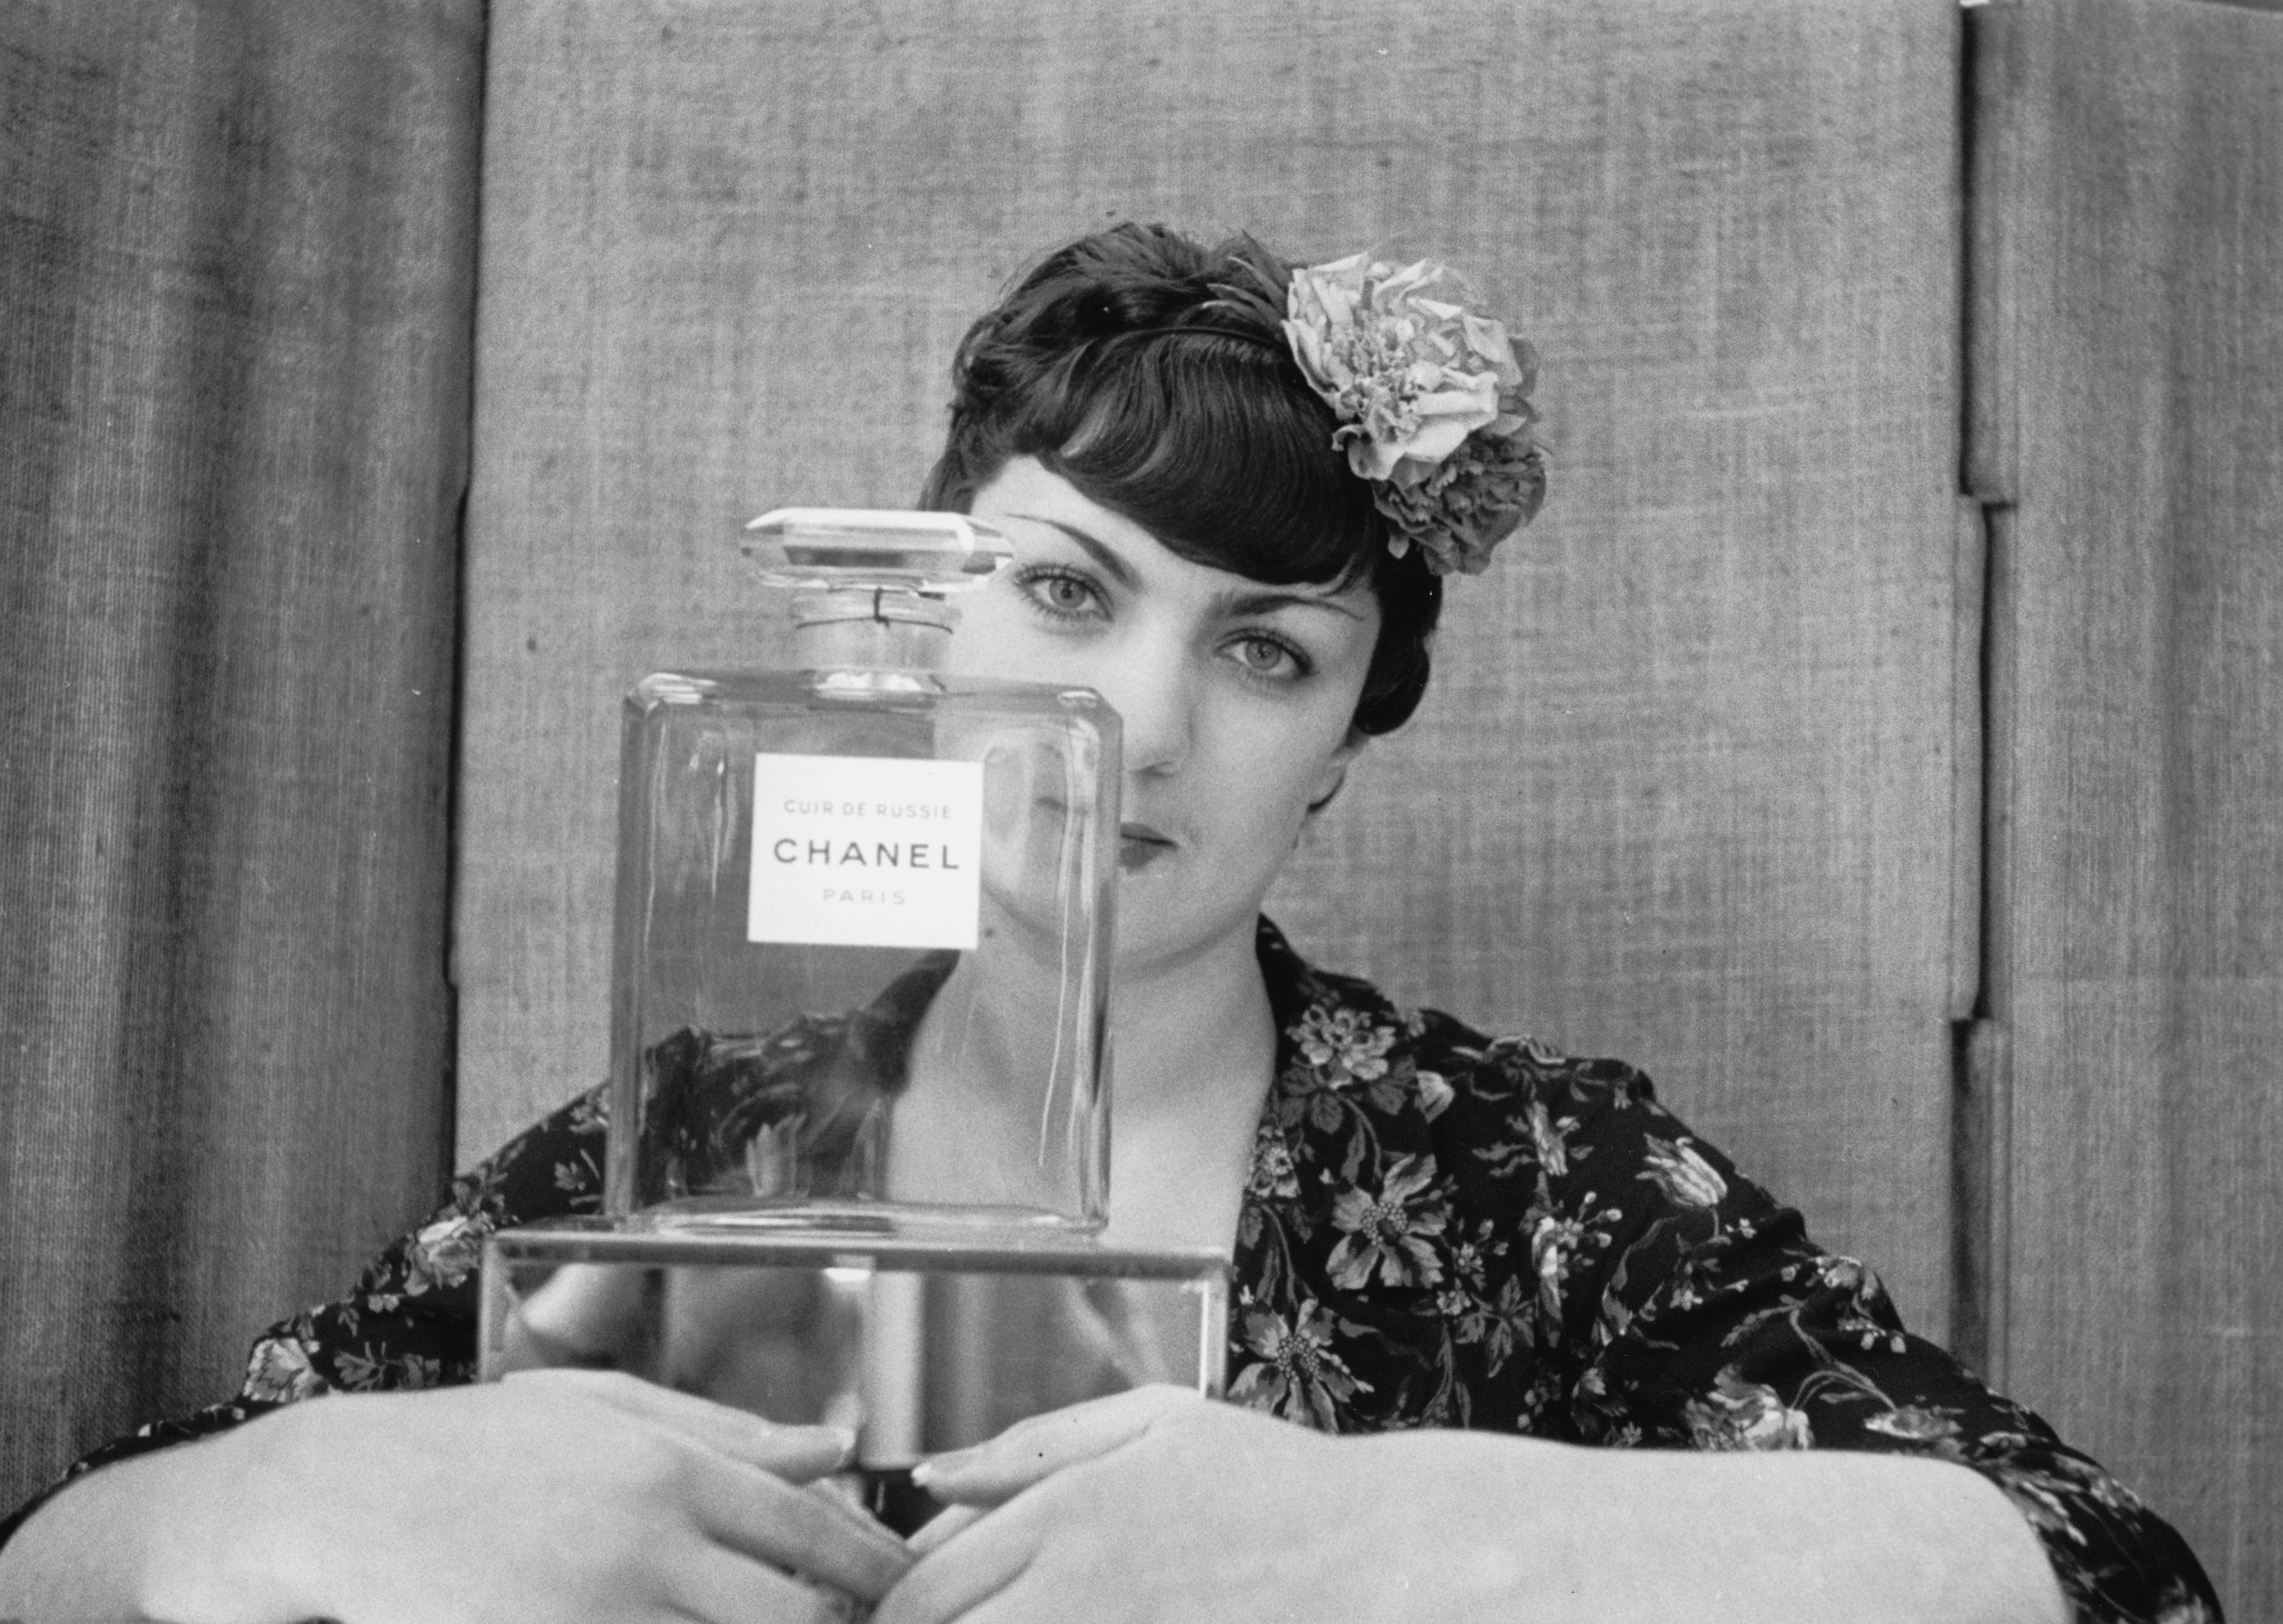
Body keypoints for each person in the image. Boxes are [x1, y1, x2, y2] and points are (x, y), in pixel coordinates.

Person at [0, 223, 2221, 1624]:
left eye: (1265, 650)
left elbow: (2107, 1566)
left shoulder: (1524, 1182)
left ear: (1337, 746)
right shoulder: (687, 1150)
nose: (1138, 728)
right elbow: (69, 1555)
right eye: (1066, 591)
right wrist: (301, 1498)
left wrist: (1418, 1540)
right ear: (918, 616)